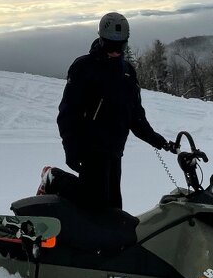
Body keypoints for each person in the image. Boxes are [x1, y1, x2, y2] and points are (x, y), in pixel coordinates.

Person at [57, 12, 173, 210]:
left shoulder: (127, 71)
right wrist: (71, 149)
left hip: (115, 152)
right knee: (96, 210)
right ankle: (55, 181)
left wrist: (157, 140)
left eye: (120, 47)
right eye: (110, 46)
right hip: (90, 151)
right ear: (101, 40)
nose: (115, 52)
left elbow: (135, 115)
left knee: (113, 209)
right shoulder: (84, 68)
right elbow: (68, 114)